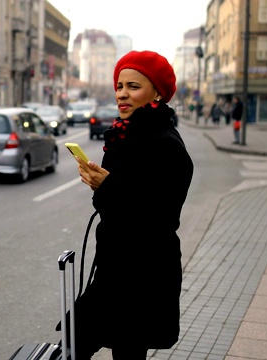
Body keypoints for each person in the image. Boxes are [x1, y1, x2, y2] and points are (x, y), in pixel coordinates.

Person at [65, 50, 194, 359]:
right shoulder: (125, 136)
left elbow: (158, 218)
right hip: (114, 271)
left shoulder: (166, 144)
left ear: (158, 93)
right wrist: (100, 184)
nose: (122, 94)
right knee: (73, 344)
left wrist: (107, 186)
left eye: (133, 86)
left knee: (123, 351)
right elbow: (111, 206)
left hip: (144, 277)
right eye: (120, 86)